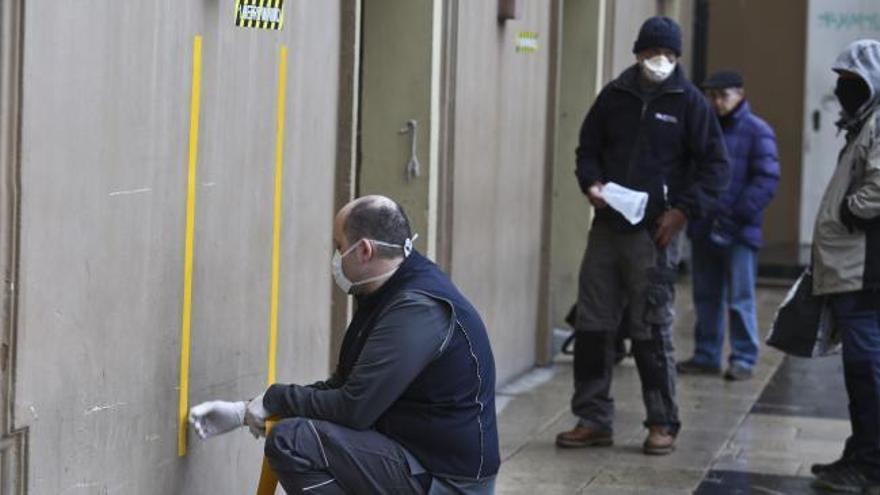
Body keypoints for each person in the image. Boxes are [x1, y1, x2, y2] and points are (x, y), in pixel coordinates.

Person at [194, 195, 500, 494]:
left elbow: (354, 409)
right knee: (305, 431)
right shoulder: (387, 291)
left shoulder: (416, 309)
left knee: (294, 441)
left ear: (364, 250)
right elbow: (342, 388)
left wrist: (275, 399)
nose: (336, 257)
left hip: (446, 480)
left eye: (339, 247)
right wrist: (244, 410)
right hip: (416, 456)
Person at [555, 16, 729, 456]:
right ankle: (593, 417)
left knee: (651, 328)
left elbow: (715, 167)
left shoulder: (690, 103)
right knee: (594, 324)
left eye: (669, 55)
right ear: (638, 54)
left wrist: (682, 212)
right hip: (608, 227)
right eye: (654, 54)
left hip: (656, 235)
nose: (661, 62)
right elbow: (587, 148)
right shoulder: (614, 97)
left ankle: (662, 422)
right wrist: (590, 184)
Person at [808, 40, 880, 494]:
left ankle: (871, 464)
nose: (841, 90)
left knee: (866, 367)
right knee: (860, 368)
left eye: (851, 82)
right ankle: (861, 452)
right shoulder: (862, 123)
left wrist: (853, 212)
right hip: (852, 267)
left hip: (866, 270)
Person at [677, 70, 780, 381]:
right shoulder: (703, 129)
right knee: (706, 296)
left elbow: (766, 180)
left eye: (725, 95)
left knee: (740, 297)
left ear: (741, 94)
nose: (718, 102)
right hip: (705, 226)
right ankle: (707, 355)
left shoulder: (757, 131)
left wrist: (735, 215)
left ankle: (744, 358)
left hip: (738, 230)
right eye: (713, 95)